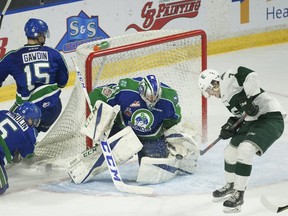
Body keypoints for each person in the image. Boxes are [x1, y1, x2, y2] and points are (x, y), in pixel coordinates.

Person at [67, 74, 199, 185]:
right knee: (107, 156)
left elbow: (173, 120)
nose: (152, 100)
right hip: (123, 131)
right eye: (149, 97)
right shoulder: (126, 90)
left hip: (152, 137)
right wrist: (100, 114)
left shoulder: (168, 100)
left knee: (151, 173)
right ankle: (84, 166)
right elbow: (97, 95)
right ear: (141, 91)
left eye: (154, 98)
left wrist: (169, 138)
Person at [198, 66, 286, 213]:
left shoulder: (227, 78)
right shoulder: (225, 99)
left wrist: (251, 98)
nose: (211, 94)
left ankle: (239, 195)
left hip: (270, 117)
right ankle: (231, 185)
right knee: (230, 151)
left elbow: (250, 74)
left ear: (214, 83)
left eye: (209, 91)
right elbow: (243, 113)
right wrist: (231, 125)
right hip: (253, 121)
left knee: (246, 149)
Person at [0, 18, 69, 133]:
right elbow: (63, 82)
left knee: (8, 132)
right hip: (53, 108)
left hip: (25, 112)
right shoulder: (54, 54)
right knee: (32, 134)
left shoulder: (13, 56)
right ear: (39, 35)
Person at [0, 102, 42, 195]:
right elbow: (27, 155)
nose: (33, 124)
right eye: (33, 121)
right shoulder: (29, 134)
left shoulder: (5, 112)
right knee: (2, 187)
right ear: (28, 118)